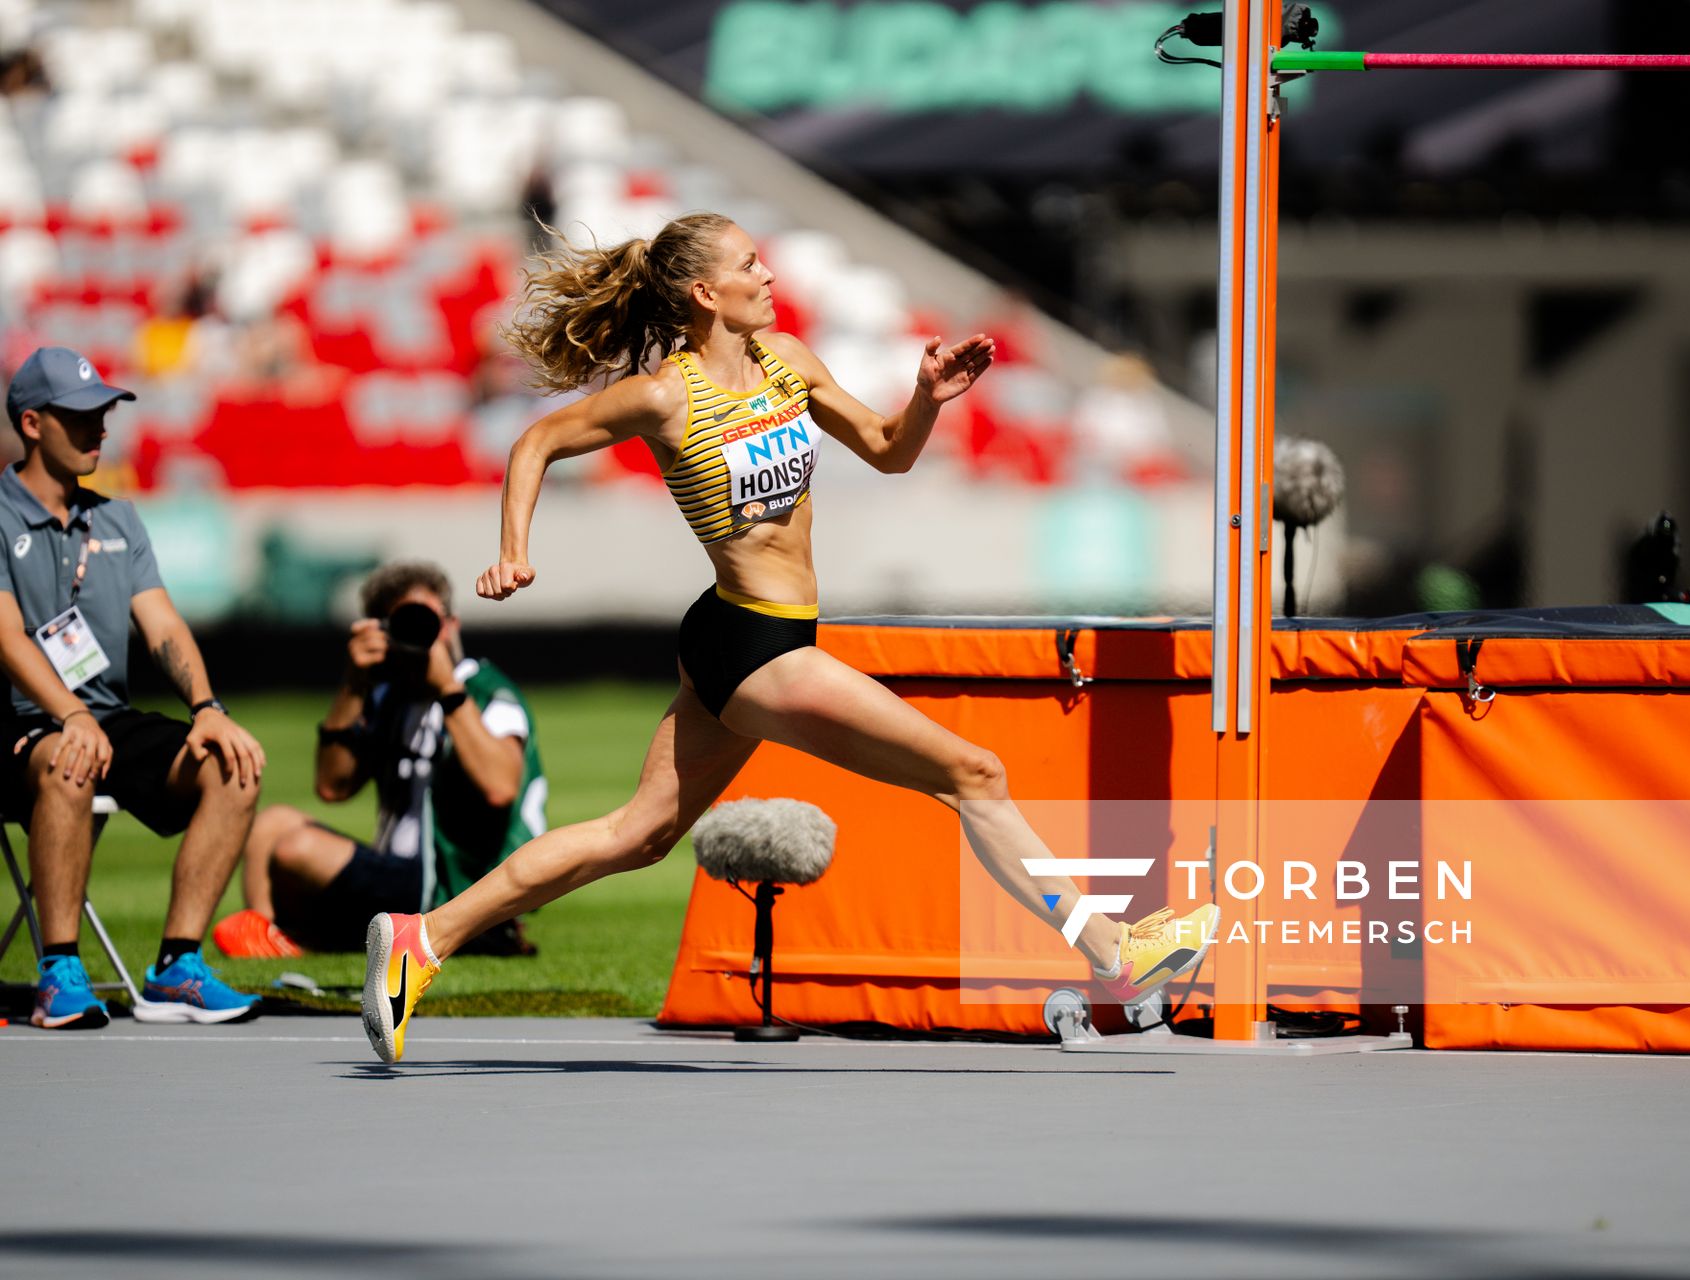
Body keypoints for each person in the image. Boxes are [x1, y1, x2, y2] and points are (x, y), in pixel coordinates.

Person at [362, 212, 1217, 1061]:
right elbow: (537, 440)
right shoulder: (666, 393)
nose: (770, 276)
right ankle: (1114, 954)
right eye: (750, 264)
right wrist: (514, 552)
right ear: (707, 292)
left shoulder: (789, 363)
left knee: (638, 836)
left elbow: (888, 450)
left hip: (748, 638)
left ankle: (420, 940)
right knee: (973, 772)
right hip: (753, 645)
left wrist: (925, 397)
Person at [0, 346, 265, 1028]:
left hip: (103, 717)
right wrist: (67, 715)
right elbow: (6, 636)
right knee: (68, 759)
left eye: (104, 413)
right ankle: (59, 971)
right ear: (33, 423)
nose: (100, 428)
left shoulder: (117, 519)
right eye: (81, 415)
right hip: (18, 723)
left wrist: (207, 709)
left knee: (233, 766)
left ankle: (178, 965)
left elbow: (161, 622)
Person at [214, 561, 546, 958]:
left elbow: (500, 786)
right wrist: (354, 683)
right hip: (400, 872)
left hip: (459, 881)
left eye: (429, 621)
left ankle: (301, 939)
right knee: (270, 825)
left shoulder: (486, 690)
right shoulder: (390, 695)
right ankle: (270, 938)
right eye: (402, 625)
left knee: (297, 847)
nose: (422, 636)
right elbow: (332, 786)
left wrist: (448, 690)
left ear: (452, 624)